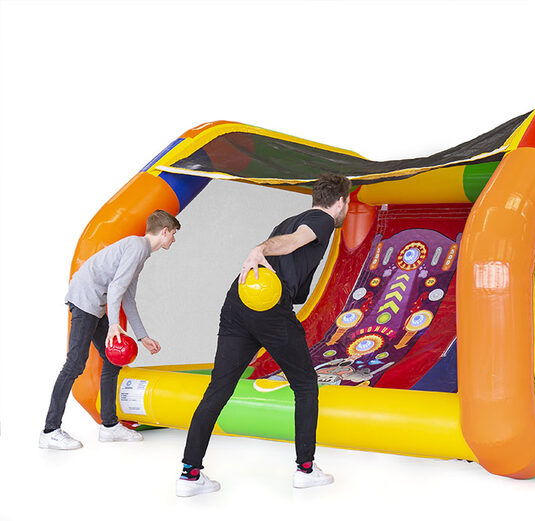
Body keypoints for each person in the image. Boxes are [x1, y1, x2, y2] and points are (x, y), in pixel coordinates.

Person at [177, 173, 351, 497]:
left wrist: (264, 250)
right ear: (341, 201)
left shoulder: (288, 220)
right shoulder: (322, 220)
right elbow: (296, 240)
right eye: (347, 203)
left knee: (218, 389)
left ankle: (189, 474)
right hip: (268, 305)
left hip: (239, 300)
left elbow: (291, 244)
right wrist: (259, 248)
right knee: (305, 386)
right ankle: (306, 470)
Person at [39, 209, 181, 449]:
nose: (174, 240)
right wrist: (114, 324)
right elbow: (116, 289)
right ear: (164, 231)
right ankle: (50, 431)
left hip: (96, 304)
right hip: (85, 300)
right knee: (75, 363)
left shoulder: (140, 252)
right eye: (174, 234)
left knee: (112, 360)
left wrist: (143, 337)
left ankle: (109, 426)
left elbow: (128, 299)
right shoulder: (137, 247)